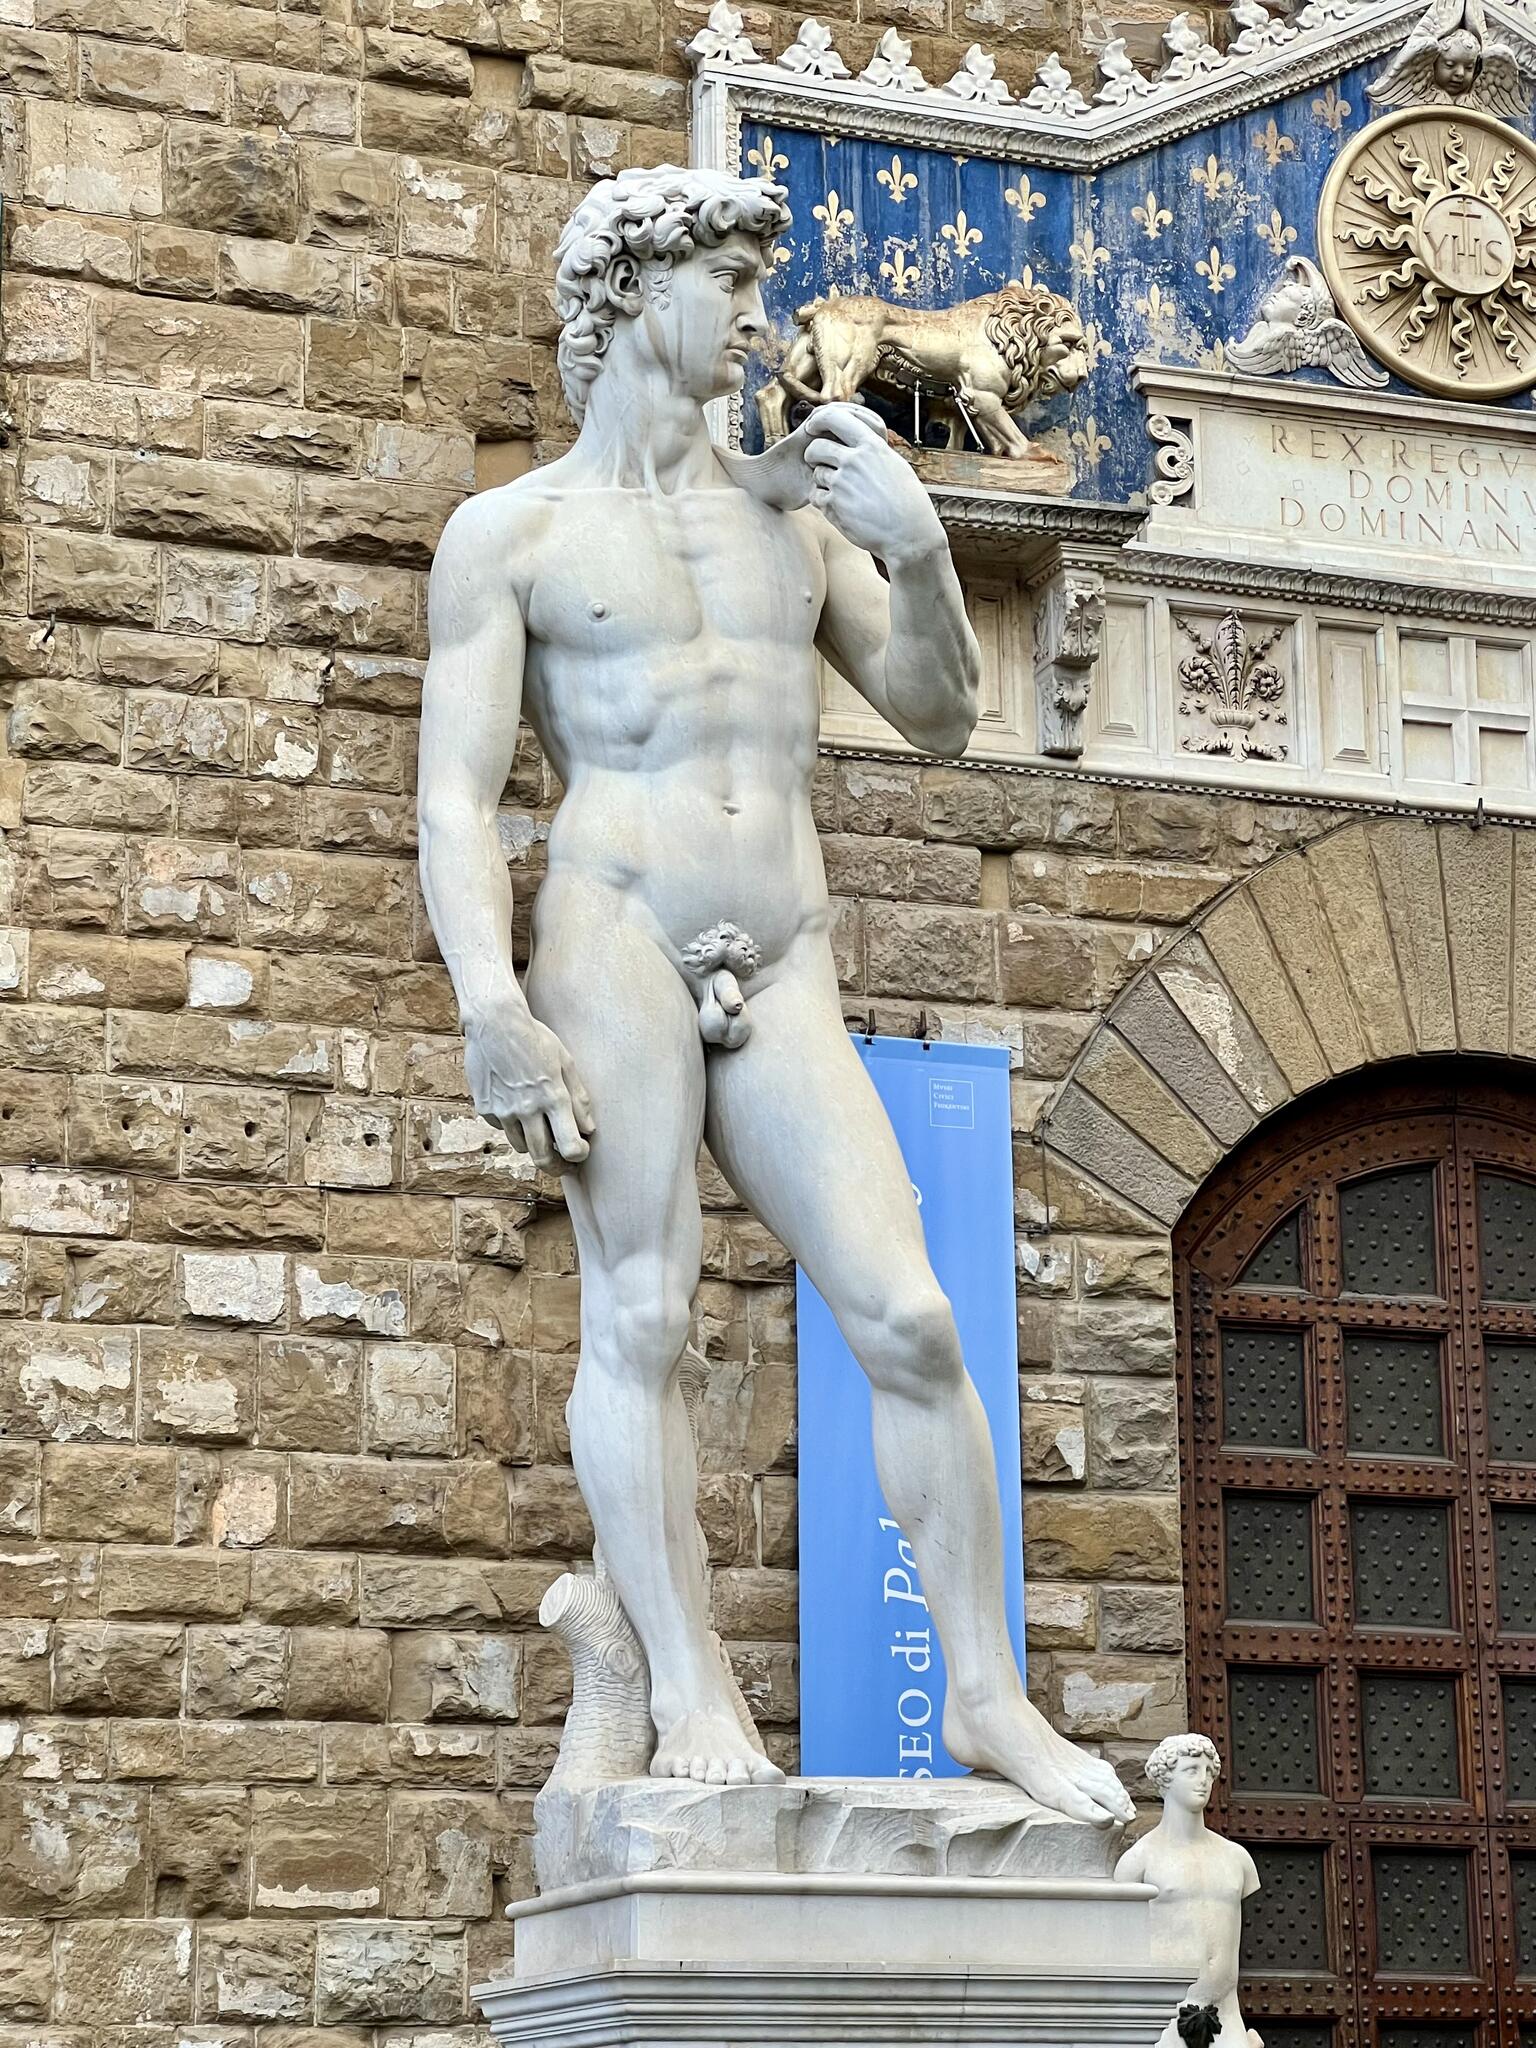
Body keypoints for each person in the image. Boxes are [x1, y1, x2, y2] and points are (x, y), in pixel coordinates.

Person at [415, 163, 1133, 1825]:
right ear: (629, 300)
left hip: (784, 942)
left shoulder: (793, 514)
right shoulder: (510, 535)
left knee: (912, 1314)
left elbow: (942, 715)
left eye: (759, 281)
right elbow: (456, 797)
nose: (757, 317)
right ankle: (687, 1685)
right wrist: (488, 1004)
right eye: (728, 283)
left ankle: (985, 1698)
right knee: (645, 1313)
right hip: (614, 928)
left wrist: (925, 550)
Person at [1115, 1735, 1263, 2048]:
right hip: (1163, 2015)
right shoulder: (1139, 1862)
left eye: (1209, 1772)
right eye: (1192, 1770)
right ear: (1166, 1778)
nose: (1204, 1781)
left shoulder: (1236, 1858)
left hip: (1226, 2012)